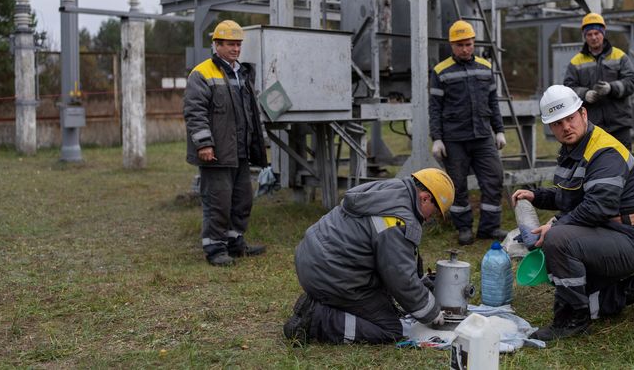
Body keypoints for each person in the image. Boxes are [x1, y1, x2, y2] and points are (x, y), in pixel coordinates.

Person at [511, 85, 634, 341]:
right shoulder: (572, 150)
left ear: (583, 114)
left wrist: (555, 226)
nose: (565, 126)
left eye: (570, 118)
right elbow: (570, 196)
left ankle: (575, 319)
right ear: (550, 128)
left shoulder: (604, 151)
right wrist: (536, 196)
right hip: (605, 235)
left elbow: (598, 207)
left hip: (630, 239)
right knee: (592, 299)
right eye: (557, 123)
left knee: (557, 240)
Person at [283, 168, 455, 344]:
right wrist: (431, 312)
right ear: (425, 198)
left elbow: (397, 261)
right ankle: (316, 318)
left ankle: (322, 303)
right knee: (389, 329)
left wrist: (422, 285)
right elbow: (400, 278)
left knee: (383, 304)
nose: (429, 219)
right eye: (433, 213)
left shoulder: (392, 190)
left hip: (313, 259)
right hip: (330, 273)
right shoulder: (399, 220)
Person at [183, 20, 268, 266]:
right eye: (230, 44)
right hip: (217, 152)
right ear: (217, 44)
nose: (236, 49)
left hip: (239, 151)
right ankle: (215, 249)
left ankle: (235, 242)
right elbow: (195, 112)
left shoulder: (241, 73)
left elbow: (249, 111)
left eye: (238, 44)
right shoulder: (202, 73)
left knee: (242, 200)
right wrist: (204, 145)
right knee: (218, 202)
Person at [429, 20, 507, 246]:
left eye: (469, 44)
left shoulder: (485, 67)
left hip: (483, 137)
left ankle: (489, 228)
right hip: (454, 139)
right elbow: (435, 107)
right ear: (452, 45)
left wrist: (499, 130)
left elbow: (493, 101)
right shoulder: (440, 71)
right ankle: (464, 228)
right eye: (460, 45)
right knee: (457, 185)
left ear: (474, 43)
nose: (465, 49)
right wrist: (437, 139)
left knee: (494, 178)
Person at [563, 12, 634, 149]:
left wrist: (611, 88)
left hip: (619, 125)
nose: (593, 37)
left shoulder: (619, 56)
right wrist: (585, 94)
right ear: (584, 36)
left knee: (624, 165)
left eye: (596, 33)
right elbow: (568, 88)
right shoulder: (576, 62)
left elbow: (632, 81)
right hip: (592, 127)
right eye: (589, 34)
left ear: (603, 33)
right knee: (596, 167)